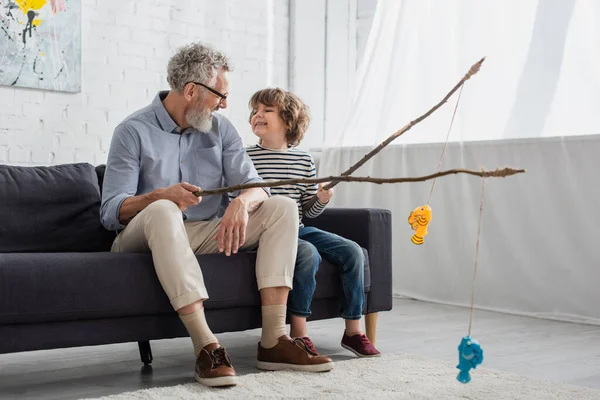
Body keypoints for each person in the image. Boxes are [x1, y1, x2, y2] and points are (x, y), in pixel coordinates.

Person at [99, 43, 333, 389]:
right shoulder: (132, 131)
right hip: (143, 238)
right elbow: (110, 212)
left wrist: (242, 202)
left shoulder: (221, 130)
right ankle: (206, 345)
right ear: (191, 91)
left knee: (281, 206)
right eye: (220, 95)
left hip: (206, 233)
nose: (225, 104)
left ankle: (273, 342)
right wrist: (161, 195)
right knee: (164, 210)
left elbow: (256, 186)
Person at [243, 87, 381, 357]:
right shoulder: (245, 157)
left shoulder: (304, 160)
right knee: (307, 253)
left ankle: (353, 331)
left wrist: (321, 197)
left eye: (266, 110)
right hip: (267, 232)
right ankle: (299, 334)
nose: (257, 115)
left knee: (353, 251)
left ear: (288, 120)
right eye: (255, 111)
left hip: (299, 228)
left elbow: (309, 211)